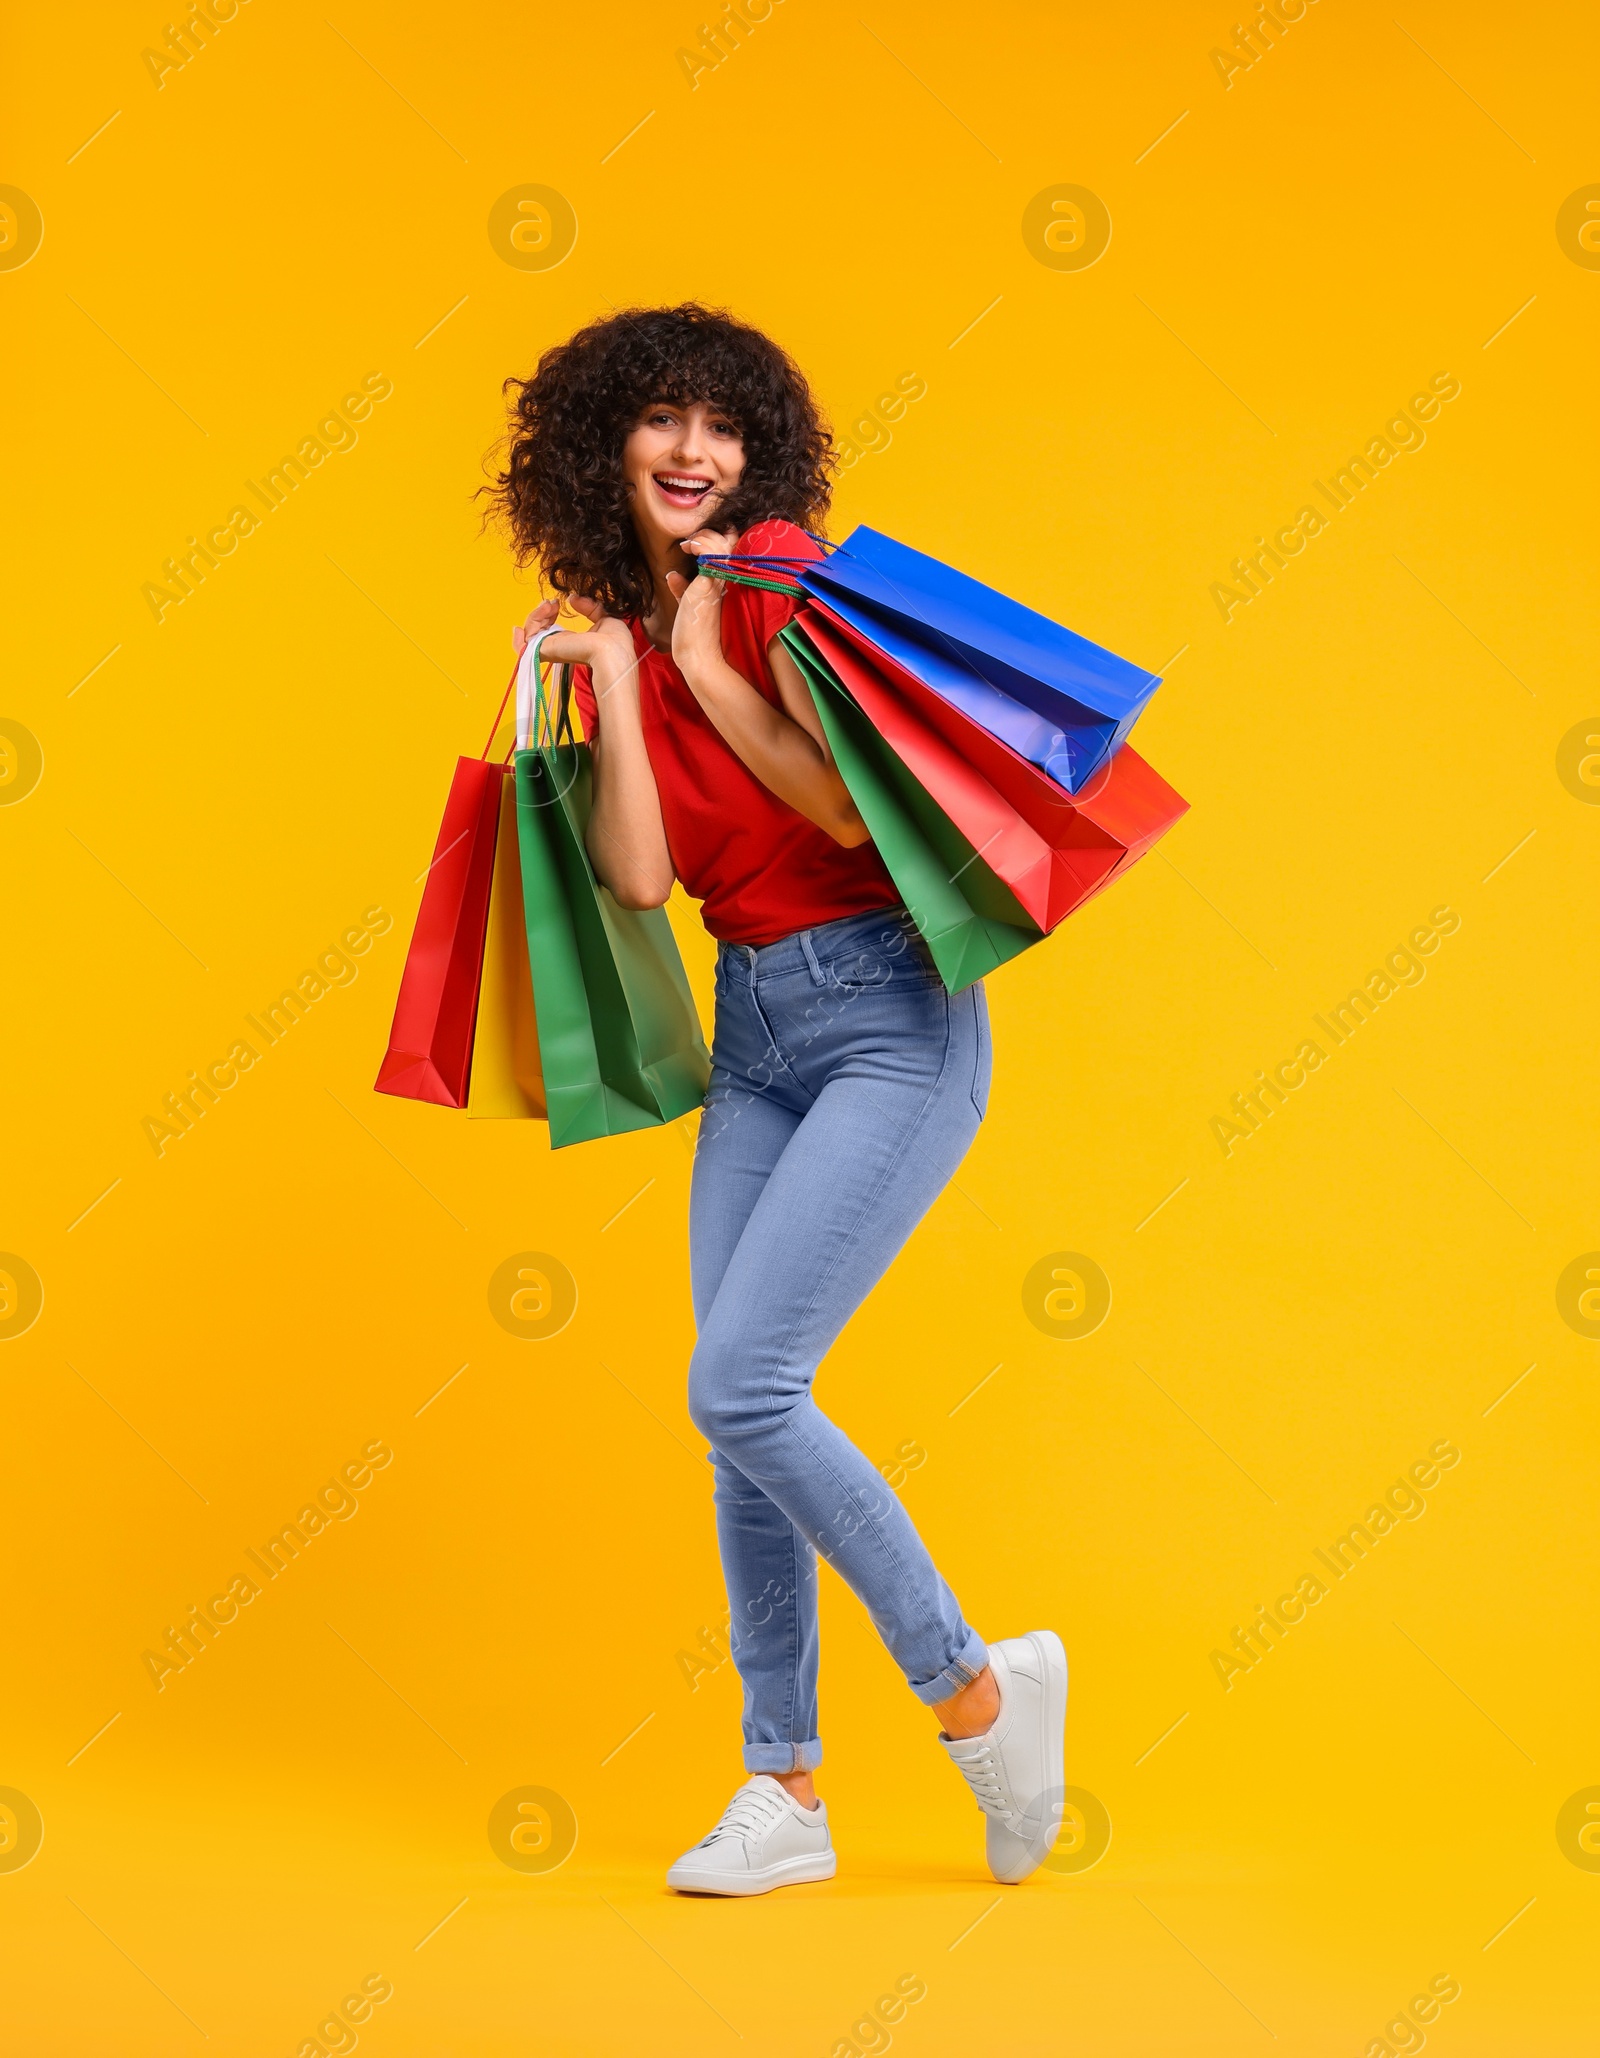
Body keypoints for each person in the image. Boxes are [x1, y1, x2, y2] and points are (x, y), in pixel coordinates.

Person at [491, 303, 1066, 1895]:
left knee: (742, 1382)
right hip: (754, 1029)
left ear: (760, 453)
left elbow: (842, 804)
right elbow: (641, 874)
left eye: (722, 427)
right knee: (738, 1427)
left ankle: (978, 1694)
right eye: (661, 421)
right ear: (598, 446)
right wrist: (614, 665)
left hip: (890, 1014)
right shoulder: (612, 633)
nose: (694, 453)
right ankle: (788, 1790)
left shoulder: (776, 584)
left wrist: (695, 660)